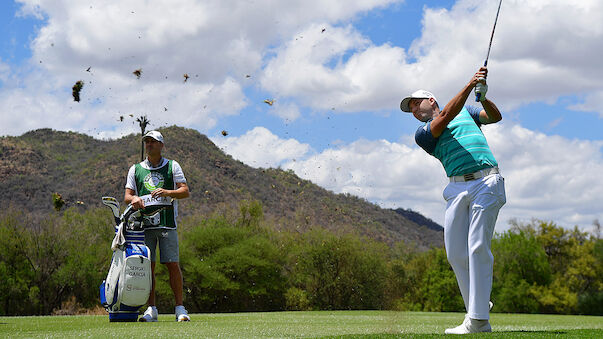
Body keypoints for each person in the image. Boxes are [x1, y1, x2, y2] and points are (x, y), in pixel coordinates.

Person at [400, 67, 506, 334]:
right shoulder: (423, 133)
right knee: (456, 254)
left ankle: (478, 320)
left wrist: (482, 97)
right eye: (410, 108)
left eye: (415, 103)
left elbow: (495, 116)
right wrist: (471, 84)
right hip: (456, 188)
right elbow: (447, 115)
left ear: (430, 100)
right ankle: (478, 302)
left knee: (478, 246)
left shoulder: (468, 113)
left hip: (486, 181)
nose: (413, 109)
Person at [124, 130, 191, 322]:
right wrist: (134, 199)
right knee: (148, 267)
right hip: (144, 225)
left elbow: (184, 191)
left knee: (172, 264)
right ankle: (151, 309)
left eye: (153, 142)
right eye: (147, 142)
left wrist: (168, 192)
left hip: (167, 223)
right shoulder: (135, 169)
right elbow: (127, 196)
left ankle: (180, 308)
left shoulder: (172, 166)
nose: (149, 145)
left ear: (161, 145)